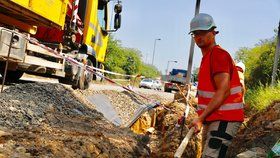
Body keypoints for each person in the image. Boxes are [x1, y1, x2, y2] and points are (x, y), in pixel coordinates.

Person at [188, 13, 244, 158]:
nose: (199, 37)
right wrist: (201, 117)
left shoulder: (218, 55)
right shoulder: (207, 58)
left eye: (203, 32)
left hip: (225, 118)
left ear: (213, 33)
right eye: (195, 33)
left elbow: (223, 91)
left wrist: (200, 118)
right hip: (214, 118)